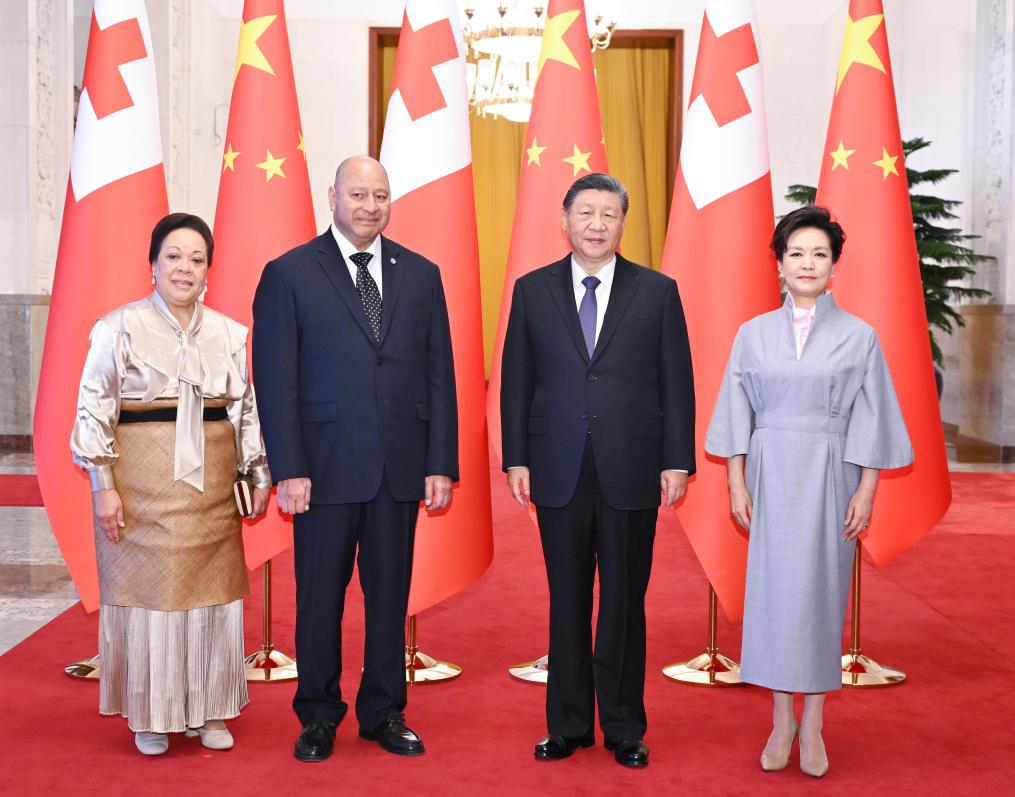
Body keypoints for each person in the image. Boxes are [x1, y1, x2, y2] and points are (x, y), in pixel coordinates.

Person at [252, 155, 457, 762]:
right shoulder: (289, 273)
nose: (370, 206)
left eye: (380, 195)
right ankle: (317, 714)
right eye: (358, 194)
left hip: (399, 468)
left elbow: (440, 375)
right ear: (333, 196)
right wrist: (288, 467)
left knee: (390, 597)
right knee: (319, 596)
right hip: (321, 469)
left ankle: (383, 711)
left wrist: (439, 461)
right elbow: (276, 379)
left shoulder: (421, 274)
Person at [706, 205, 913, 778]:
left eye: (819, 253)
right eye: (796, 252)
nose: (807, 263)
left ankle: (815, 723)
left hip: (831, 472)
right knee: (772, 598)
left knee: (821, 598)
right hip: (771, 474)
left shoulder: (859, 336)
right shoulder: (752, 334)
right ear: (779, 263)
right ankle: (780, 721)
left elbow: (874, 418)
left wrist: (867, 491)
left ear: (833, 266)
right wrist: (735, 482)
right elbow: (736, 410)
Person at [501, 173, 695, 768]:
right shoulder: (533, 291)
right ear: (565, 221)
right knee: (566, 600)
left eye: (608, 214)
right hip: (557, 466)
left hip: (632, 468)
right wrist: (516, 456)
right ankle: (566, 724)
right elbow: (516, 379)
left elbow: (677, 383)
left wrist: (677, 460)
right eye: (585, 212)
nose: (596, 224)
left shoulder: (657, 292)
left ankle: (624, 726)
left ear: (621, 224)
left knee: (624, 601)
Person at [70, 212, 271, 756]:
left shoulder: (231, 334)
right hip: (140, 492)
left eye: (197, 258)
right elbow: (92, 410)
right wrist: (102, 484)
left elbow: (247, 411)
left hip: (211, 492)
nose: (185, 267)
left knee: (212, 600)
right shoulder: (118, 328)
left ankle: (208, 710)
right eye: (174, 256)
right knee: (151, 600)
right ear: (153, 264)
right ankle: (152, 714)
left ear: (210, 269)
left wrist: (256, 471)